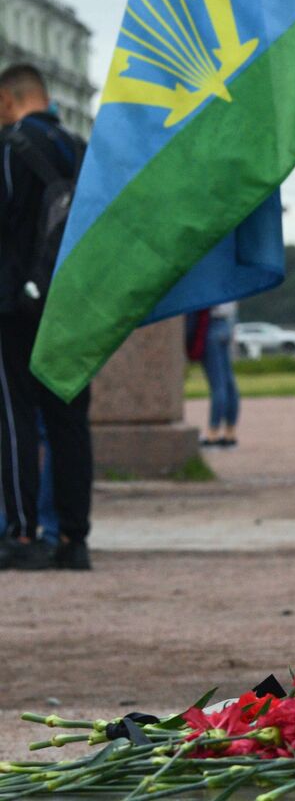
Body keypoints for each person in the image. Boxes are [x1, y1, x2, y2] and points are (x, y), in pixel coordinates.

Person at [0, 64, 93, 571]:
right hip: (72, 302)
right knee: (69, 418)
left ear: (8, 100)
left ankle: (21, 531)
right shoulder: (79, 149)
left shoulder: (10, 147)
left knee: (15, 413)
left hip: (14, 302)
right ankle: (73, 539)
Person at [200, 301, 240, 446]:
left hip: (210, 324)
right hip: (225, 324)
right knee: (228, 382)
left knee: (218, 384)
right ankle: (230, 431)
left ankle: (213, 433)